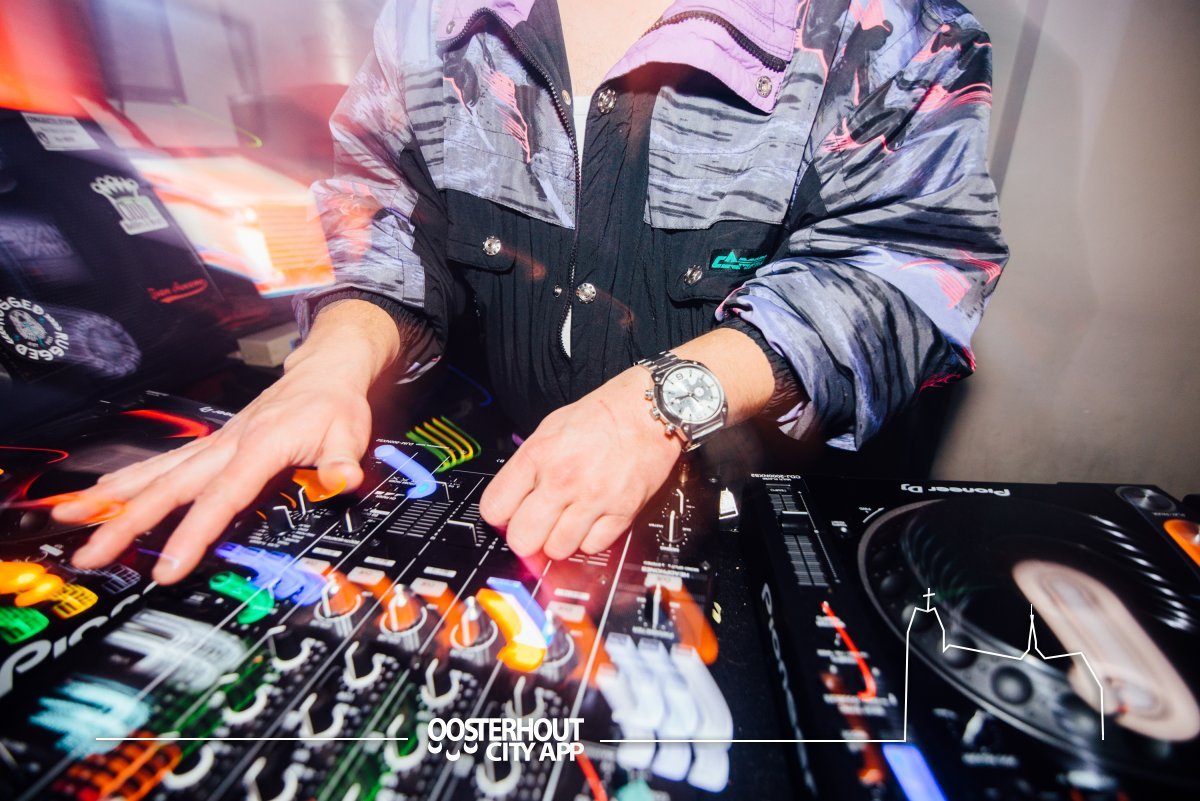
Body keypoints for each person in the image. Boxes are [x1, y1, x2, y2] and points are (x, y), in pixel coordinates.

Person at [55, 0, 1007, 583]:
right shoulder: (427, 20)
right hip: (505, 509)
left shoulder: (901, 34)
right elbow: (386, 209)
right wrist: (329, 368)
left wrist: (655, 408)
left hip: (746, 537)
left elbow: (903, 268)